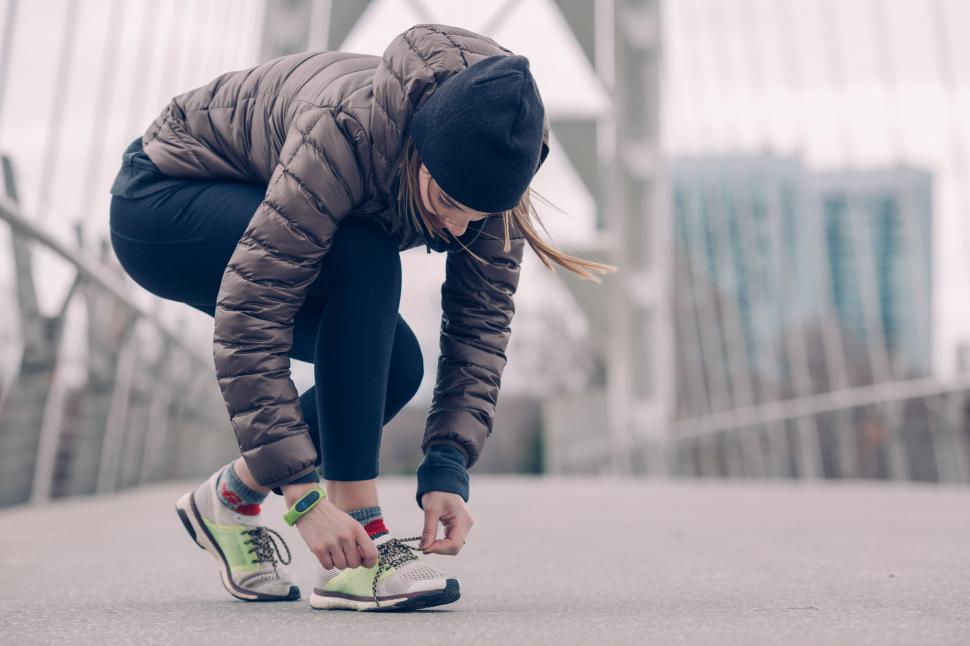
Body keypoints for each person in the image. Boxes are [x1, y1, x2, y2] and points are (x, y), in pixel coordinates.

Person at [107, 23, 615, 611]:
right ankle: (361, 542)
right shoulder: (345, 132)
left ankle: (230, 497)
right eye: (448, 203)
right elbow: (253, 316)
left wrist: (448, 466)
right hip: (163, 201)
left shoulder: (498, 167)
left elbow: (480, 327)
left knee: (394, 366)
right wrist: (302, 497)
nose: (457, 229)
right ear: (420, 152)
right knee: (364, 250)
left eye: (477, 216)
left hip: (256, 211)